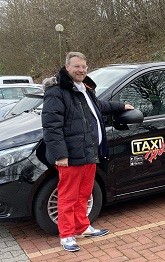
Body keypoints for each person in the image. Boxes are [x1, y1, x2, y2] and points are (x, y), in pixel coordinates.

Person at [42, 52, 134, 252]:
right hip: (71, 156)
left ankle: (83, 227)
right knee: (67, 196)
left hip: (90, 152)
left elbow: (98, 107)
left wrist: (121, 106)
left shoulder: (85, 88)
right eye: (76, 66)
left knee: (84, 193)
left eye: (84, 66)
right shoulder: (57, 91)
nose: (81, 70)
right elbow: (51, 126)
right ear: (67, 67)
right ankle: (66, 235)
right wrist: (60, 155)